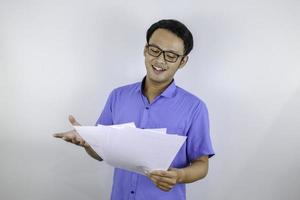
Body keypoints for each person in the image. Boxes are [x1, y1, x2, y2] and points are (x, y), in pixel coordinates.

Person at [54, 19, 215, 200]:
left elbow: (202, 164)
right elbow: (100, 153)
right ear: (146, 49)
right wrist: (87, 141)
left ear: (183, 61)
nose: (160, 60)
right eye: (155, 50)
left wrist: (180, 176)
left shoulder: (195, 108)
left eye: (171, 55)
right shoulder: (118, 96)